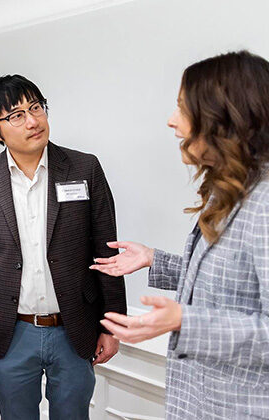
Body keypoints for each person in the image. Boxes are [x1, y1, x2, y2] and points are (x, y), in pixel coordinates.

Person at [91, 50, 269, 419]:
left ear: (223, 119)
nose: (173, 122)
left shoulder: (265, 203)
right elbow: (231, 283)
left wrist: (185, 321)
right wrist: (154, 259)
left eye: (182, 109)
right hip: (203, 401)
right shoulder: (234, 189)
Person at [0, 74, 127, 420]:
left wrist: (112, 326)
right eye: (16, 115)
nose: (33, 121)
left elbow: (107, 252)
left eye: (35, 107)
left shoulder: (85, 168)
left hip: (75, 327)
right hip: (10, 331)